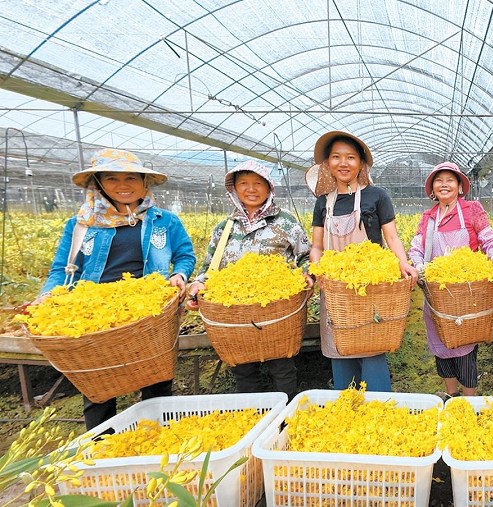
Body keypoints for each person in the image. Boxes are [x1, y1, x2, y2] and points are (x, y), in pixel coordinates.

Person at [38, 148, 195, 429]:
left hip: (150, 312)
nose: (123, 185)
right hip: (95, 315)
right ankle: (102, 442)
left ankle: (158, 438)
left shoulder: (165, 221)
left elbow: (184, 255)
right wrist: (48, 296)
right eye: (112, 178)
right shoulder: (81, 225)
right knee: (98, 385)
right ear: (98, 183)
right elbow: (63, 269)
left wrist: (179, 274)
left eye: (131, 178)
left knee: (156, 379)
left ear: (144, 183)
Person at [186, 159, 312, 398]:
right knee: (243, 368)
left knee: (281, 365)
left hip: (275, 310)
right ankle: (254, 412)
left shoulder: (285, 222)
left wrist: (307, 274)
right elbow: (209, 267)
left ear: (268, 188)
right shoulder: (224, 228)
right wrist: (199, 284)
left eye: (258, 183)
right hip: (235, 312)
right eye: (243, 183)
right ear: (234, 189)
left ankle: (287, 410)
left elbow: (306, 256)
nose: (251, 189)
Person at [307, 131, 418, 392]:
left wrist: (403, 263)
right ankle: (347, 404)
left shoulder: (376, 196)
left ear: (361, 163)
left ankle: (379, 404)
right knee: (339, 349)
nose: (343, 163)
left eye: (350, 157)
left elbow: (392, 237)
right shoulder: (323, 202)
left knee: (371, 347)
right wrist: (318, 270)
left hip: (370, 286)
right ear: (328, 164)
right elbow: (317, 246)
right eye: (336, 157)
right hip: (336, 287)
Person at [408, 162, 493, 399]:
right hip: (438, 292)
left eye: (450, 180)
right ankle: (451, 395)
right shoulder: (428, 218)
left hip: (467, 293)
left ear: (459, 186)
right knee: (441, 344)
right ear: (432, 189)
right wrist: (417, 264)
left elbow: (488, 239)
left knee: (465, 348)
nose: (444, 184)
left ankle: (469, 398)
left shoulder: (471, 210)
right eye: (439, 181)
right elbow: (416, 247)